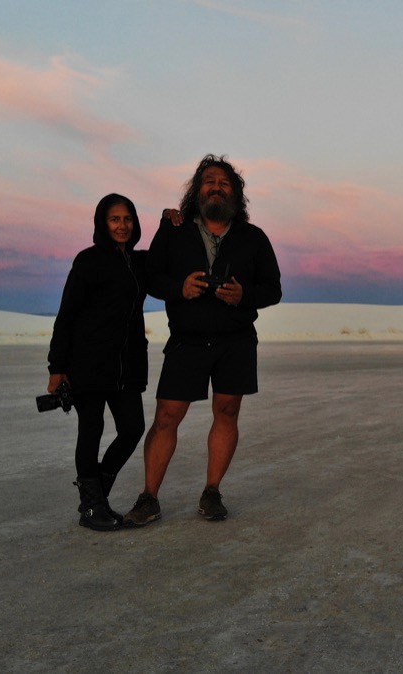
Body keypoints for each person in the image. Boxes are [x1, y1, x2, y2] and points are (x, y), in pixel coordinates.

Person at [124, 154, 281, 525]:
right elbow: (152, 278)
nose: (216, 187)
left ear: (236, 194)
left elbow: (273, 289)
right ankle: (149, 497)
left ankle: (212, 492)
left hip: (236, 339)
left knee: (227, 412)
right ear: (197, 191)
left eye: (224, 183)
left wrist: (244, 295)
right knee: (166, 416)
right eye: (209, 181)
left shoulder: (253, 238)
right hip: (187, 339)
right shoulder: (175, 230)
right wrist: (180, 288)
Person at [47, 193, 148, 531]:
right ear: (102, 223)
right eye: (115, 219)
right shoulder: (88, 260)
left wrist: (169, 220)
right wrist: (56, 368)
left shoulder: (138, 263)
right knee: (91, 430)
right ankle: (92, 509)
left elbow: (168, 255)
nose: (122, 225)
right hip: (87, 363)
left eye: (128, 219)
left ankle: (95, 498)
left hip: (127, 366)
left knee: (132, 427)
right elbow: (67, 315)